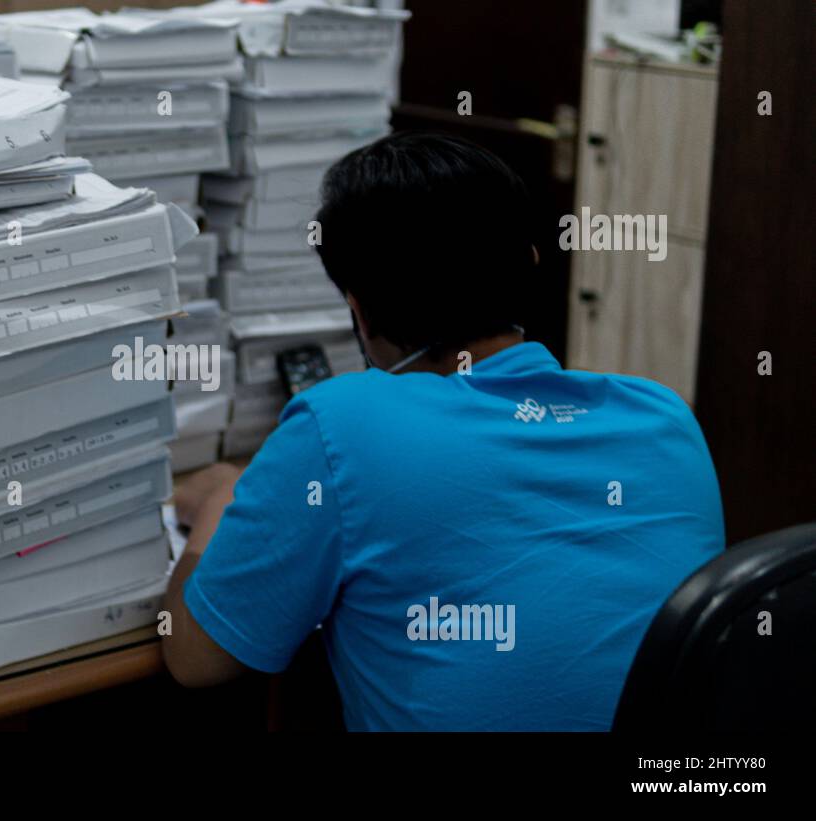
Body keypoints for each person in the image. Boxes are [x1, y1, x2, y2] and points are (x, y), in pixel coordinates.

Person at [162, 133, 725, 731]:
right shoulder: (666, 415)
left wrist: (221, 500)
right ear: (531, 265)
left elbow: (199, 659)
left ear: (359, 311)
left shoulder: (342, 426)